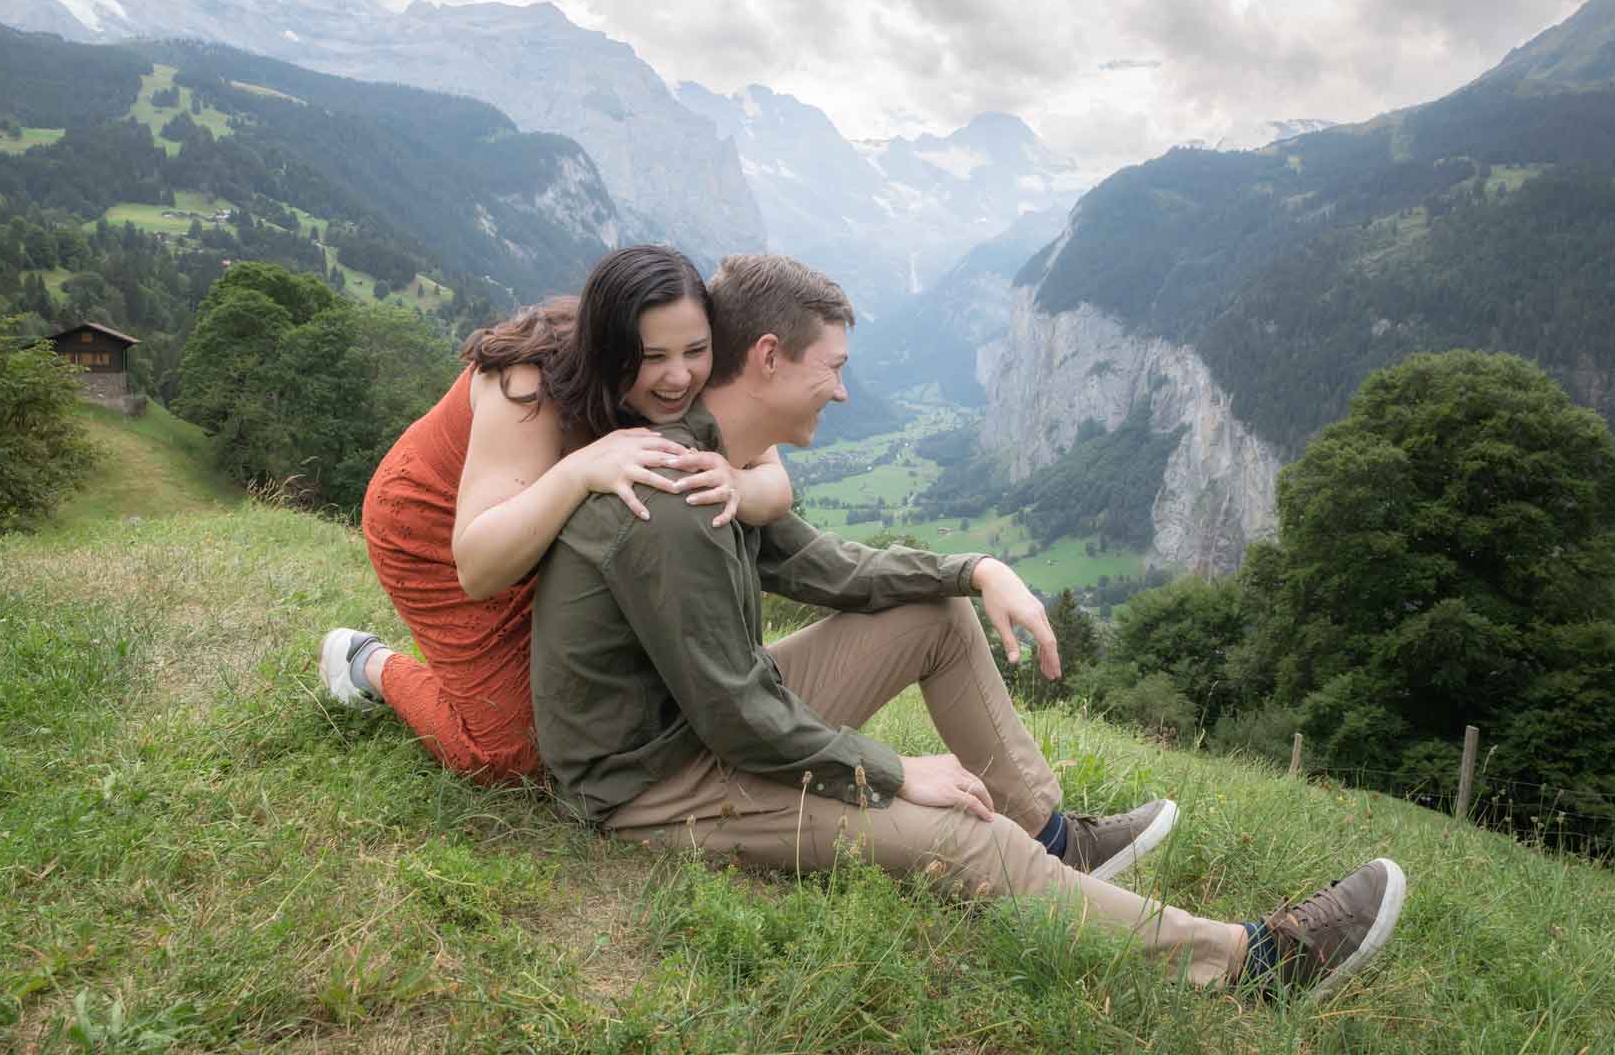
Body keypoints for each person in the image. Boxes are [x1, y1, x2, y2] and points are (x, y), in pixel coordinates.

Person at [527, 252, 1407, 997]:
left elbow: (828, 568)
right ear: (767, 357)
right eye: (831, 366)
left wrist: (974, 570)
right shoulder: (670, 498)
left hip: (699, 720)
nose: (840, 390)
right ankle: (1249, 963)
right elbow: (735, 717)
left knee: (934, 614)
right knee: (954, 825)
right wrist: (894, 771)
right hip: (652, 779)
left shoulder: (715, 460)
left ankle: (1055, 843)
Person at [317, 245, 798, 782]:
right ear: (608, 346)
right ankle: (369, 662)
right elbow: (477, 566)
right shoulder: (529, 382)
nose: (680, 377)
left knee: (616, 704)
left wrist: (734, 482)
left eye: (695, 351)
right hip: (436, 529)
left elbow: (776, 484)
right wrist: (580, 469)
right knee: (513, 752)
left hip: (556, 534)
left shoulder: (691, 352)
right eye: (651, 357)